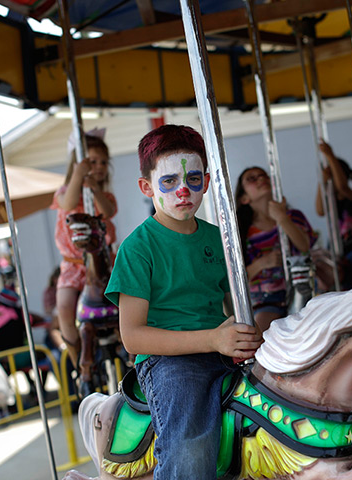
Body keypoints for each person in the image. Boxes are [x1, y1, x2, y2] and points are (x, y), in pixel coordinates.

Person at [105, 124, 262, 479]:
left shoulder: (219, 239)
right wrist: (211, 339)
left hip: (222, 353)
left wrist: (245, 333)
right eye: (168, 182)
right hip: (169, 364)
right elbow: (132, 337)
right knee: (191, 447)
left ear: (206, 182)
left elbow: (235, 304)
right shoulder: (138, 248)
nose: (183, 191)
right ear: (147, 187)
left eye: (193, 179)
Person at [51, 130, 118, 361]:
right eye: (93, 161)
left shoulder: (105, 196)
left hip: (102, 262)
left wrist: (95, 190)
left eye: (103, 162)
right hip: (73, 265)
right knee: (64, 308)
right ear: (78, 163)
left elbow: (108, 212)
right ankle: (77, 357)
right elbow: (68, 203)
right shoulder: (63, 193)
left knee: (127, 298)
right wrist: (78, 177)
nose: (99, 166)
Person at [234, 166, 316, 331]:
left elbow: (304, 246)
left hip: (300, 288)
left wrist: (281, 218)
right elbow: (236, 280)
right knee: (260, 333)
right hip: (265, 299)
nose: (261, 179)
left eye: (264, 176)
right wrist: (262, 263)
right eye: (252, 178)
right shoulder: (241, 232)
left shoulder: (293, 217)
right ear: (244, 198)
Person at [315, 140, 352, 290]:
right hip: (335, 251)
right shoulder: (332, 202)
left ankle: (351, 292)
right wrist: (322, 181)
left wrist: (330, 156)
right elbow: (320, 210)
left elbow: (343, 187)